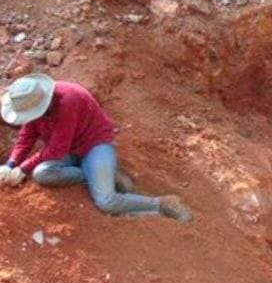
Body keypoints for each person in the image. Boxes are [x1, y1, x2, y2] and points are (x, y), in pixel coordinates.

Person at [0, 74, 191, 221]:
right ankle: (103, 174)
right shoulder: (34, 105)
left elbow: (57, 149)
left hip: (95, 145)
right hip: (70, 150)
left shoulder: (68, 101)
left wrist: (23, 168)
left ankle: (161, 204)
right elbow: (27, 136)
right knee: (42, 173)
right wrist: (10, 164)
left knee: (106, 202)